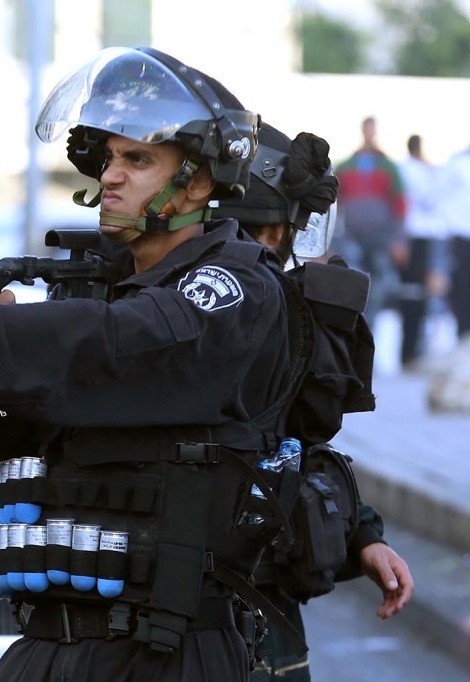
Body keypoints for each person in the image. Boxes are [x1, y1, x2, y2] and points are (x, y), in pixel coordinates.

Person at [0, 46, 292, 681]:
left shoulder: (233, 285)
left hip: (168, 650)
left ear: (197, 183)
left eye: (137, 159)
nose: (111, 176)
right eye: (108, 158)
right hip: (50, 644)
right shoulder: (92, 291)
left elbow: (123, 345)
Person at [212, 124, 414, 681]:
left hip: (255, 613)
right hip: (175, 618)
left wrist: (361, 536)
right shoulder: (152, 306)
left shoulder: (282, 315)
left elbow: (287, 445)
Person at [333, 116, 407, 329]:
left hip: (382, 237)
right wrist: (331, 242)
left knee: (380, 286)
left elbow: (400, 205)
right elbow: (335, 204)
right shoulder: (346, 166)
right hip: (352, 235)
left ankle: (368, 326)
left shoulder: (389, 167)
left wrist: (399, 239)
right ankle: (352, 326)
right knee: (351, 280)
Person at [396, 135, 449, 368]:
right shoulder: (416, 171)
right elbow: (430, 198)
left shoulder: (411, 169)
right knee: (415, 295)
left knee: (419, 295)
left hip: (419, 236)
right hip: (417, 237)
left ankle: (412, 351)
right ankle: (410, 352)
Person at [439, 143, 470, 339]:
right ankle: (463, 333)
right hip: (460, 235)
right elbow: (441, 196)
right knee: (461, 286)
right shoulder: (456, 163)